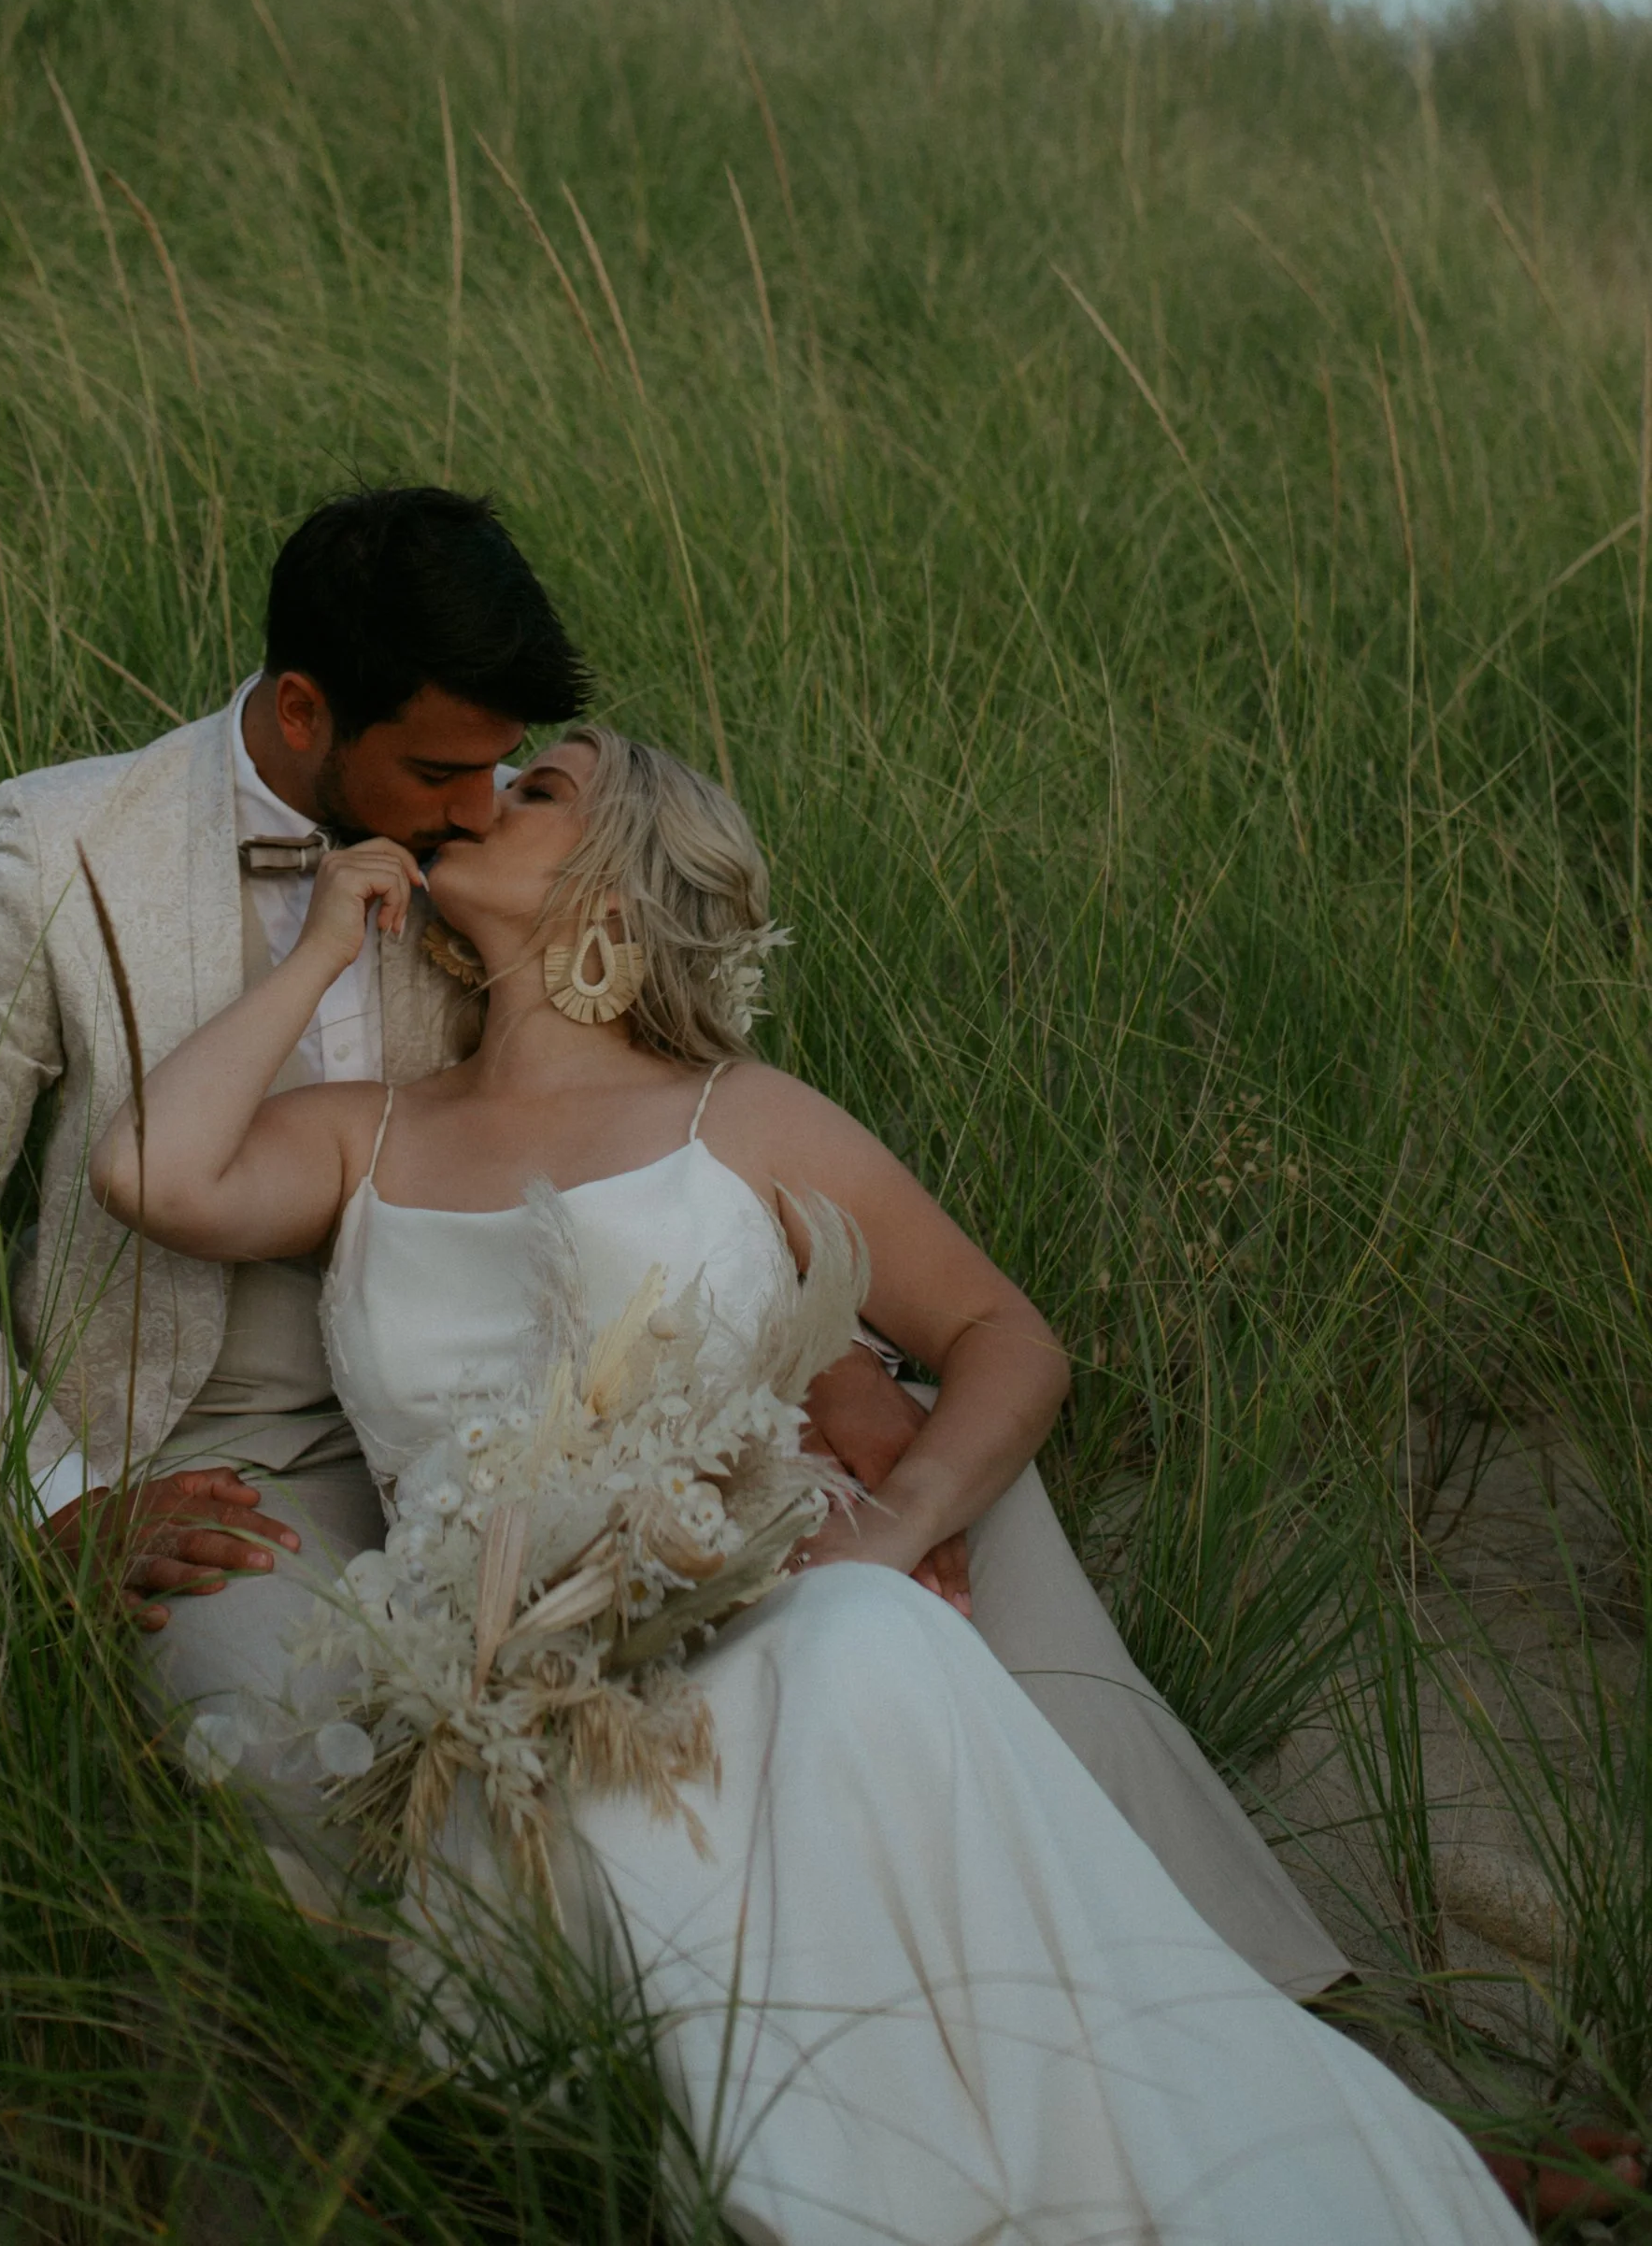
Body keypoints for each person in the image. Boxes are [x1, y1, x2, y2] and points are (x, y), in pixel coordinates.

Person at [0, 487, 1336, 1993]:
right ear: (305, 712)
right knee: (330, 1773)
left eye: (514, 771)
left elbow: (660, 1145)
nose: (479, 804)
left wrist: (831, 1373)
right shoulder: (64, 851)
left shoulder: (495, 861)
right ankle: (607, 2046)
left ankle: (1202, 1963)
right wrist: (60, 1495)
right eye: (446, 774)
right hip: (221, 1453)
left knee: (960, 1505)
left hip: (552, 1411)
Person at [91, 725, 1529, 2246]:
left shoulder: (740, 1113)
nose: (483, 794)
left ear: (619, 882)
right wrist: (324, 946)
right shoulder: (370, 1131)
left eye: (540, 786)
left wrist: (900, 1523)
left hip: (745, 1616)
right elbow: (150, 1172)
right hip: (503, 1677)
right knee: (798, 1700)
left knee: (864, 1639)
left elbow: (1005, 1335)